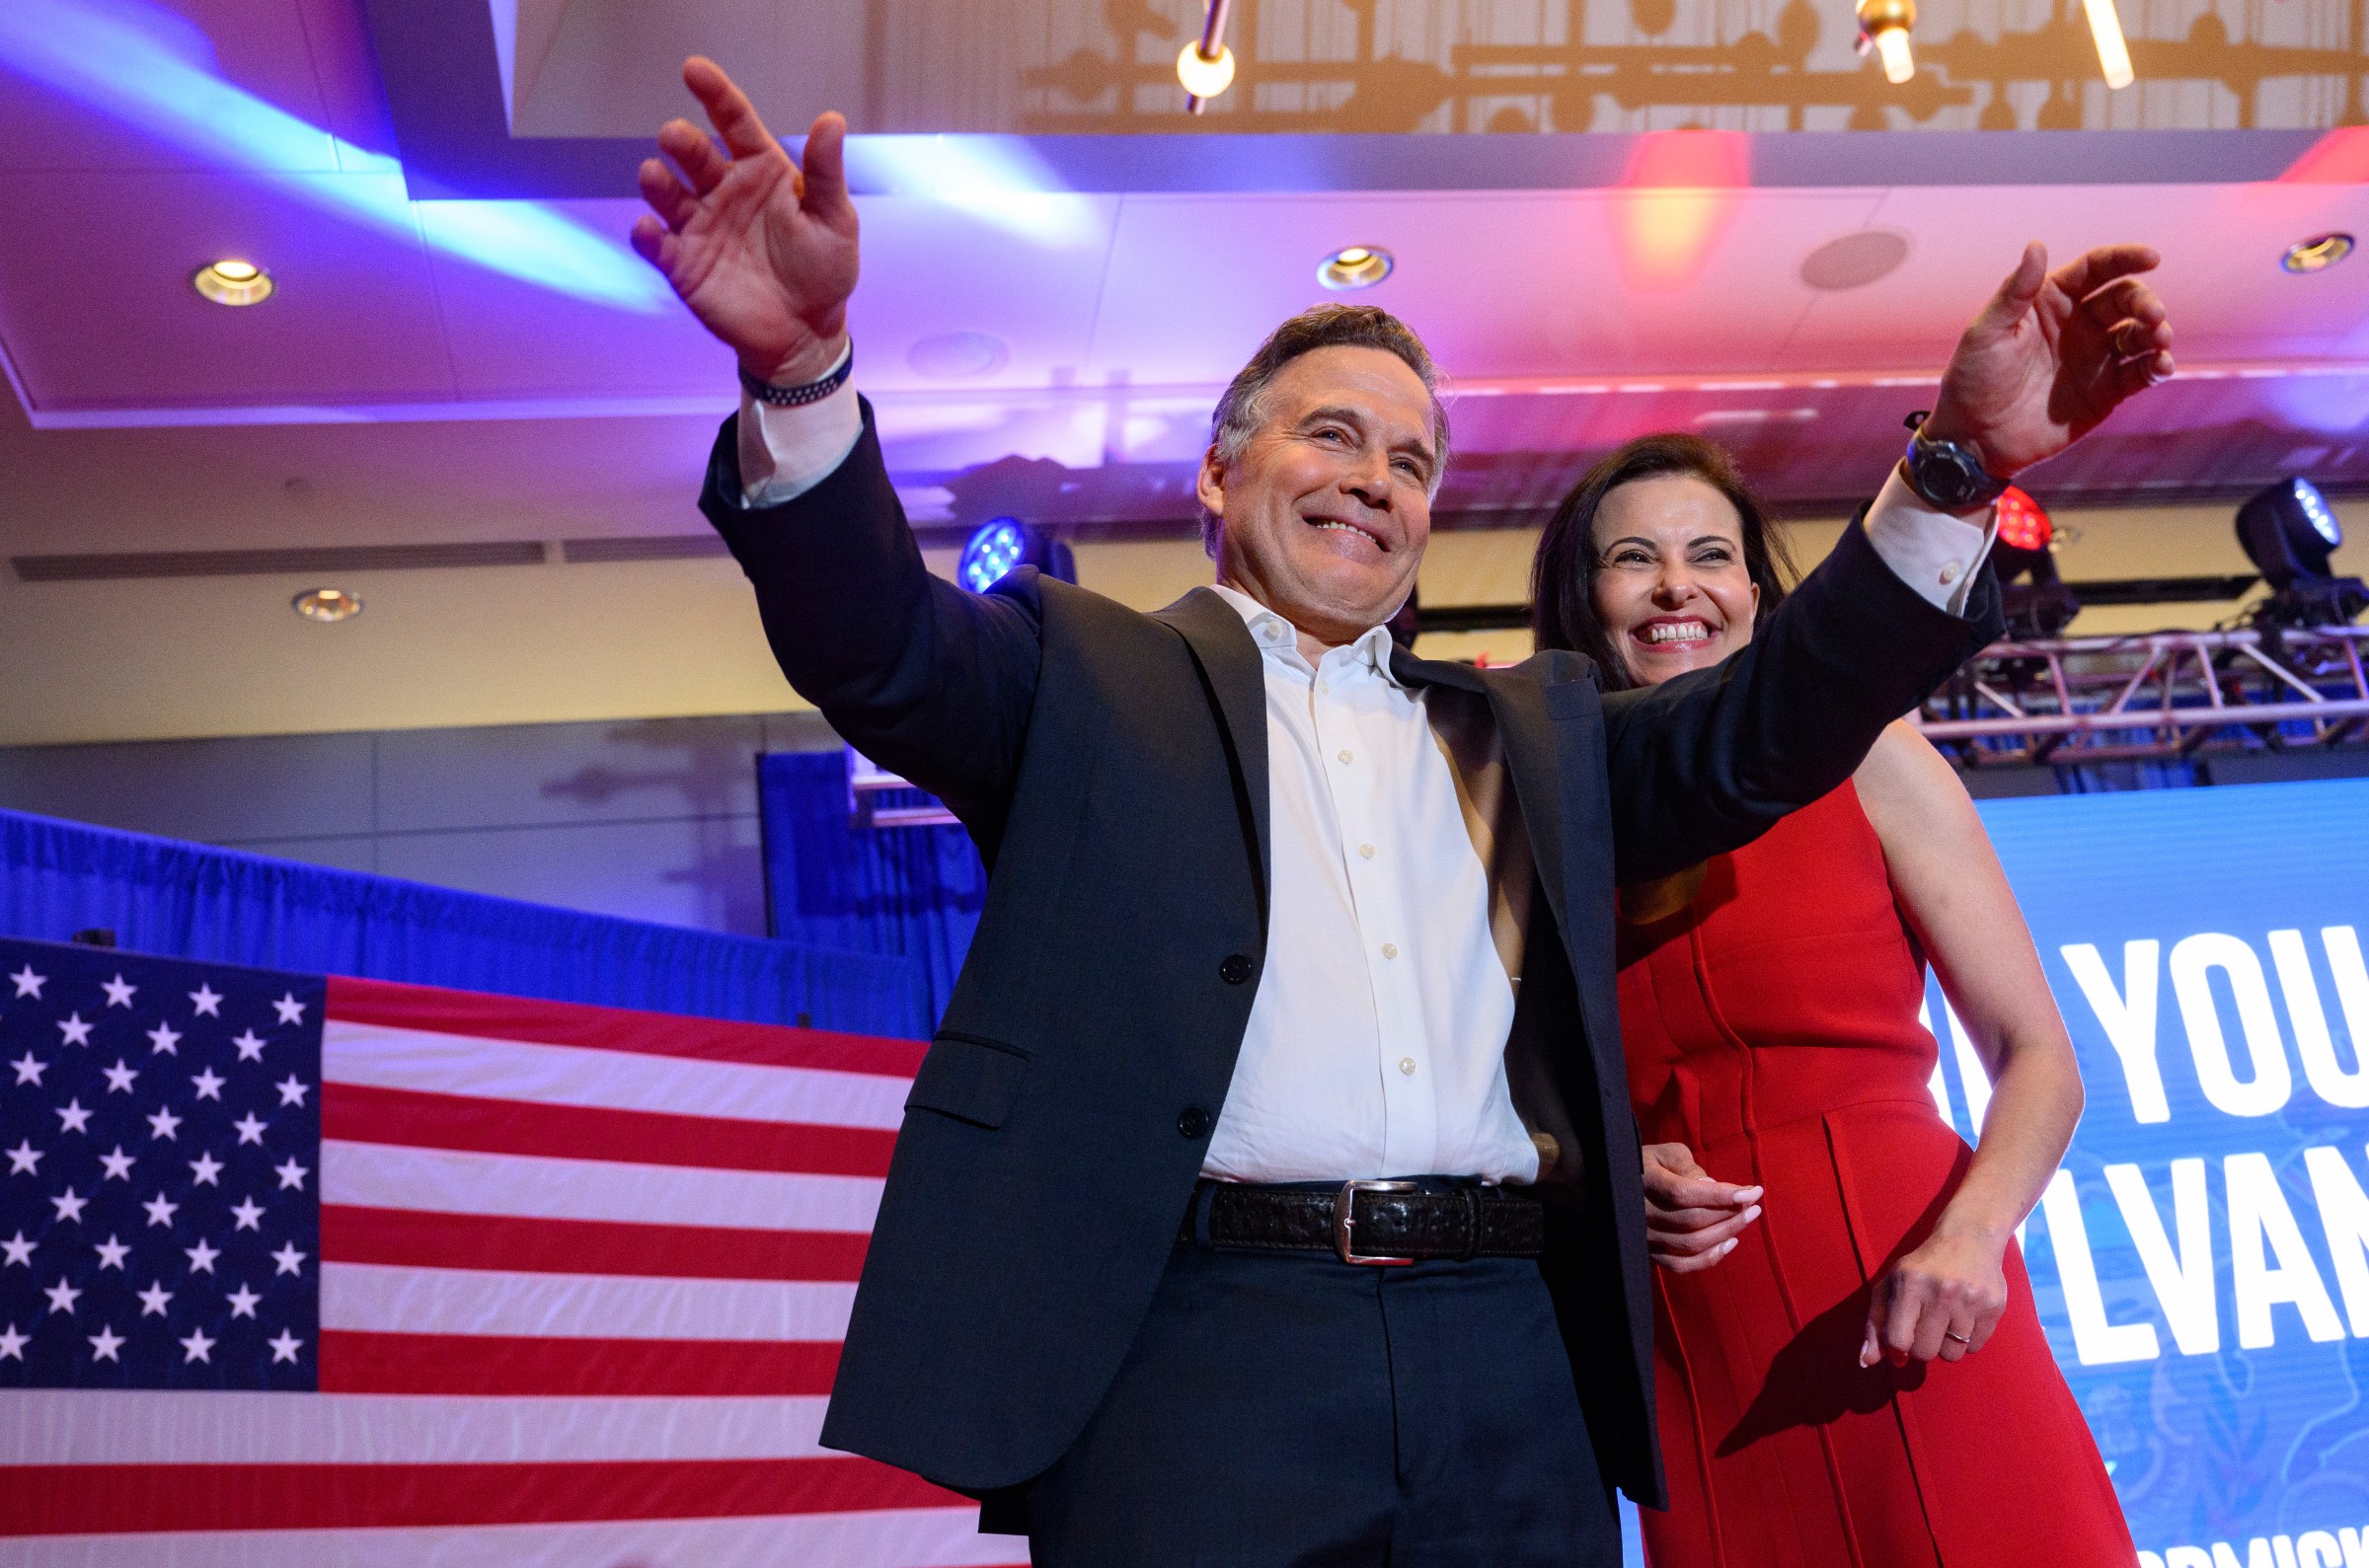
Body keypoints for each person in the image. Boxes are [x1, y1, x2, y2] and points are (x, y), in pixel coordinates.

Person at [629, 55, 2173, 1566]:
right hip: (1200, 1368)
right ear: (1218, 473)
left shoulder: (1528, 730)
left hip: (1510, 1362)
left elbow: (1781, 720)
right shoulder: (1081, 679)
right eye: (1334, 435)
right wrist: (799, 374)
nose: (1378, 478)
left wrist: (1958, 463)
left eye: (1416, 460)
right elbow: (874, 641)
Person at [1531, 433, 2139, 1566]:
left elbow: (2039, 1055)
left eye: (1711, 554)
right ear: (1583, 599)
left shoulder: (1876, 756)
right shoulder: (1532, 810)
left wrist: (1970, 1238)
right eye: (1634, 558)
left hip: (1910, 1299)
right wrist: (1603, 1166)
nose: (1677, 585)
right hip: (1694, 1345)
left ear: (1757, 593)